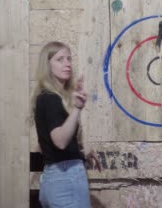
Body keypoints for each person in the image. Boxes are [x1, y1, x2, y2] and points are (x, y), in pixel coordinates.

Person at [32, 41, 101, 208]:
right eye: (60, 59)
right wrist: (77, 108)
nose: (67, 63)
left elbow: (55, 147)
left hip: (53, 179)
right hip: (65, 180)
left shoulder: (48, 97)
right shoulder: (50, 98)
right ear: (47, 65)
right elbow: (60, 141)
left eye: (69, 59)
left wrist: (81, 153)